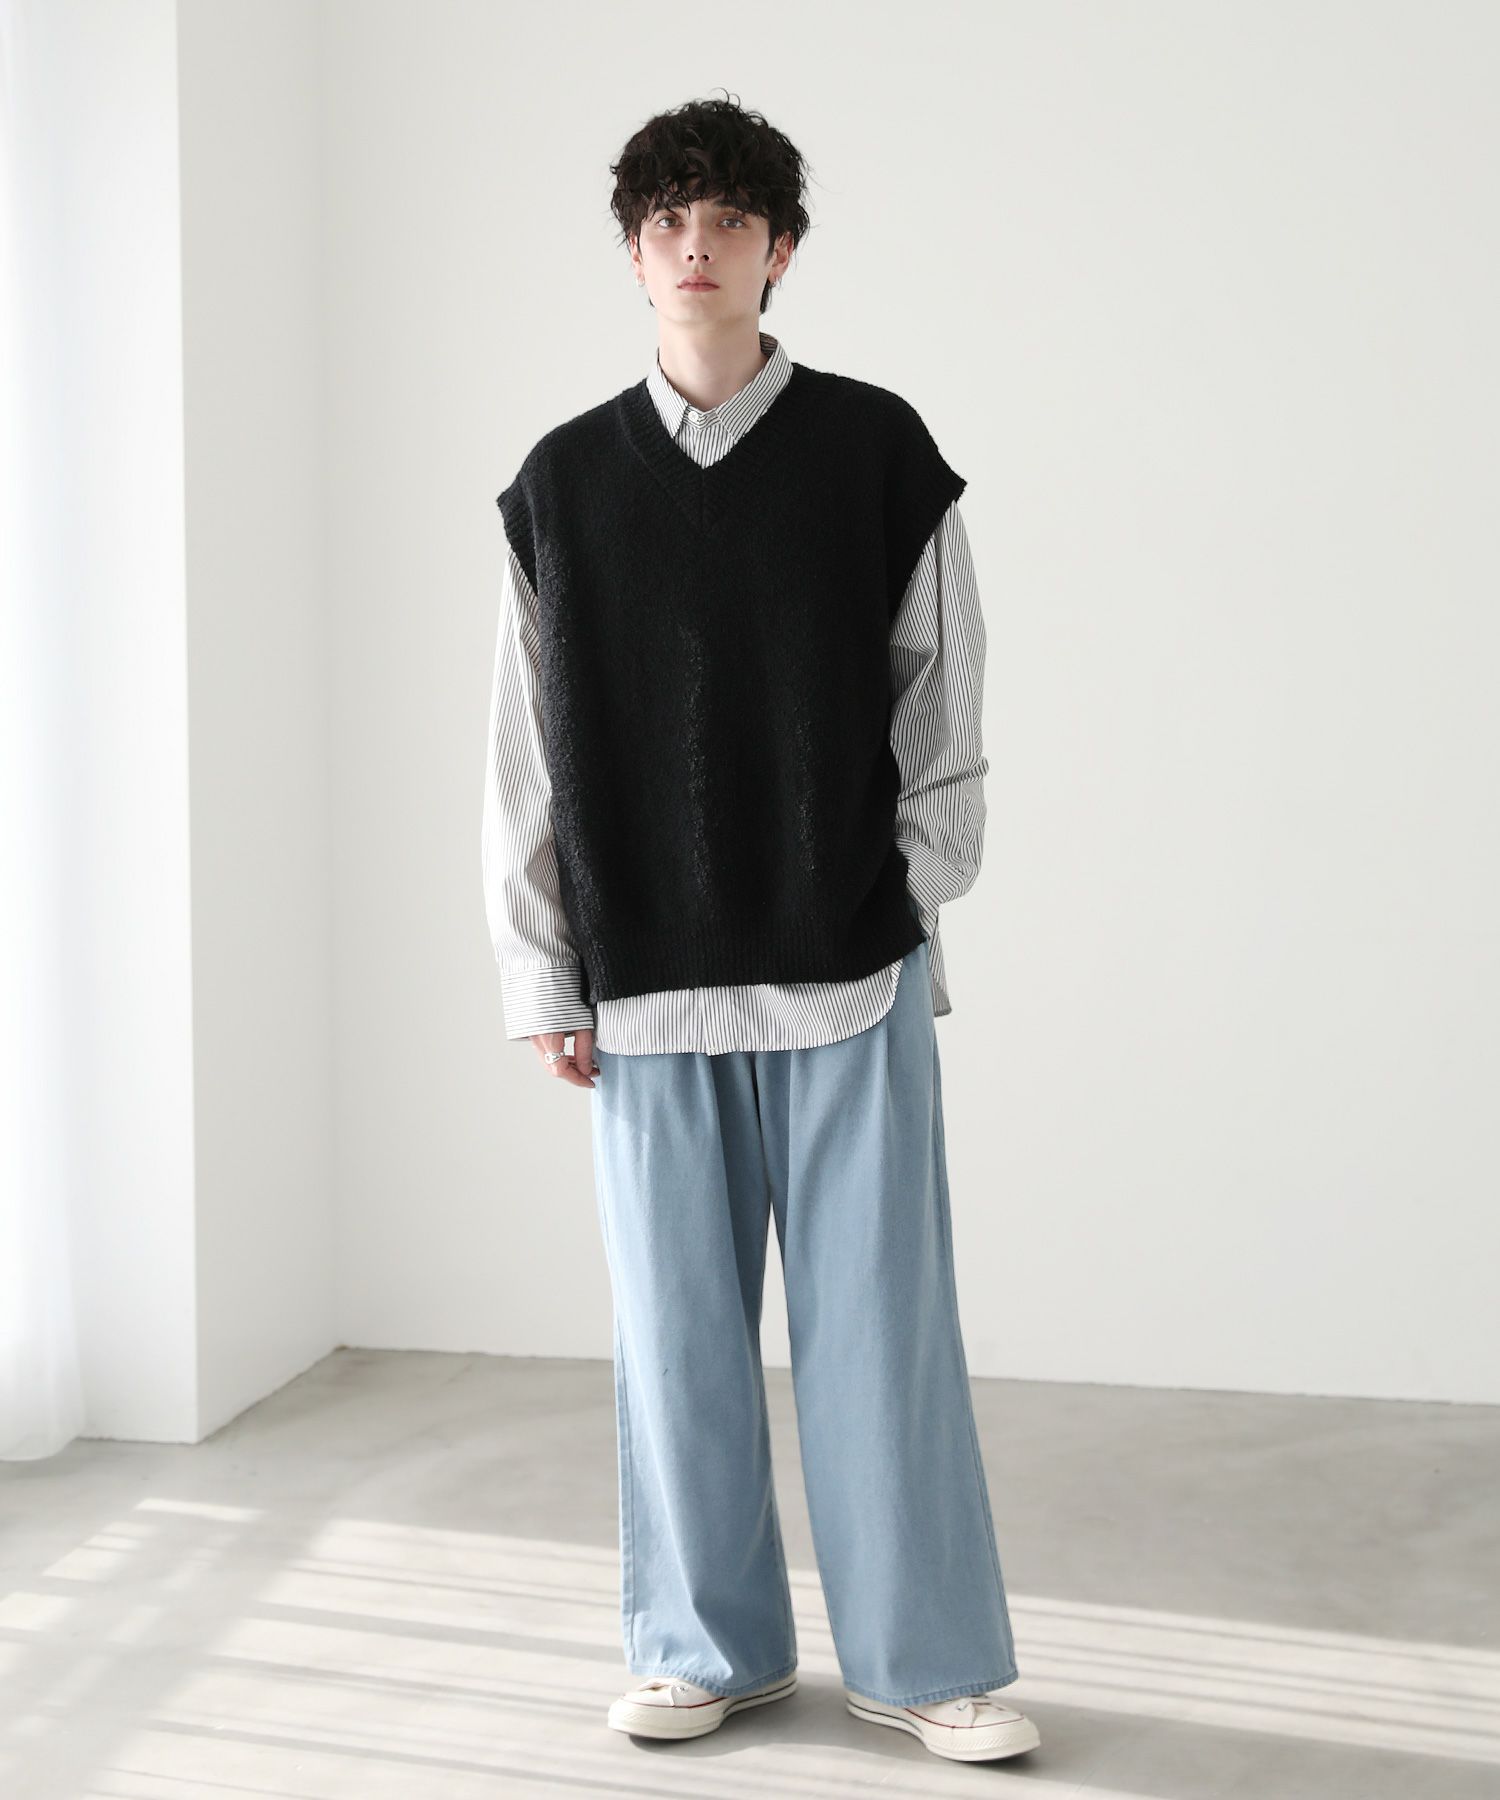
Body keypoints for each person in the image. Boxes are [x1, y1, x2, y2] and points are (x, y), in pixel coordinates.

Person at [480, 92, 1040, 1767]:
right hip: (645, 980)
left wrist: (911, 895)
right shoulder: (564, 485)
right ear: (634, 251)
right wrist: (540, 967)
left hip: (849, 968)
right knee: (675, 1348)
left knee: (884, 1336)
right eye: (668, 221)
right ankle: (701, 1647)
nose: (697, 247)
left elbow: (946, 702)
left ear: (780, 248)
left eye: (729, 218)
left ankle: (924, 1659)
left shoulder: (876, 452)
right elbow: (524, 752)